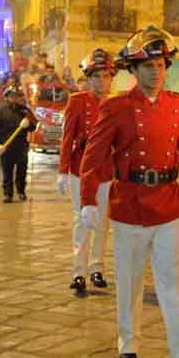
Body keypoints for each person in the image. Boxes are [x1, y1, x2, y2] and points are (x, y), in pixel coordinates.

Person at [79, 26, 179, 358]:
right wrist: (88, 200)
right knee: (130, 282)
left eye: (161, 64)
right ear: (133, 69)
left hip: (169, 206)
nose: (156, 71)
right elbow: (94, 156)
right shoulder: (116, 108)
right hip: (129, 207)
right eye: (148, 65)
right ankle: (128, 347)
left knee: (173, 283)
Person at [58, 49, 115, 295]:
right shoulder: (78, 101)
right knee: (81, 220)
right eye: (96, 76)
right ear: (89, 78)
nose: (101, 81)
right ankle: (79, 272)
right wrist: (62, 170)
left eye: (105, 76)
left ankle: (96, 268)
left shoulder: (116, 103)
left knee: (102, 221)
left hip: (105, 170)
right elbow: (67, 137)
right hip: (80, 167)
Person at [0, 85, 37, 203]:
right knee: (7, 171)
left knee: (22, 171)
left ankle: (21, 191)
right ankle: (8, 193)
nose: (15, 99)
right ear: (7, 97)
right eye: (13, 96)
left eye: (18, 96)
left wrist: (28, 124)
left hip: (21, 146)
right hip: (5, 146)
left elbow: (33, 127)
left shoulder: (24, 110)